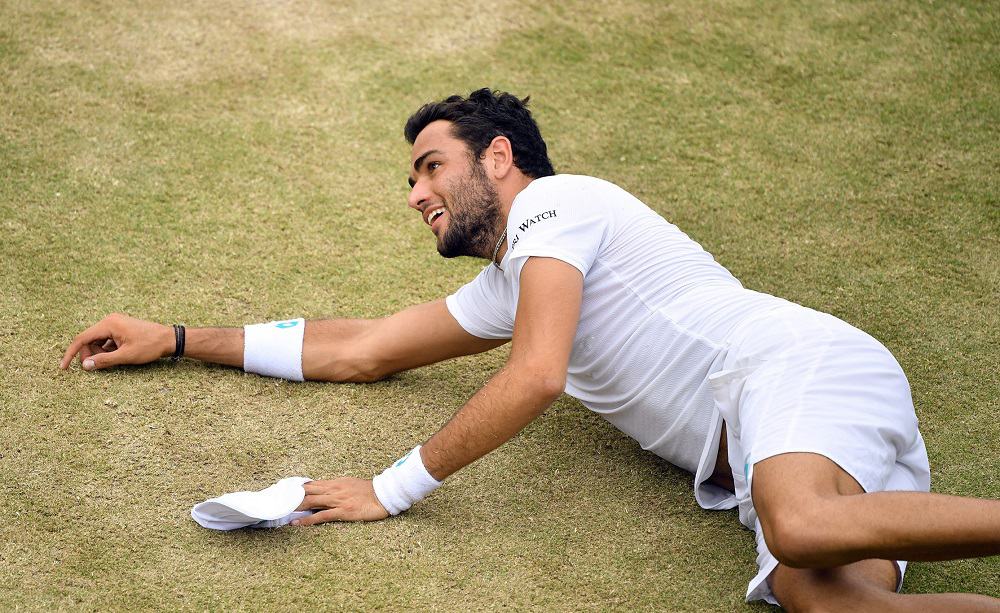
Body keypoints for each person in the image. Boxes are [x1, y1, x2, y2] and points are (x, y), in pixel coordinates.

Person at [61, 89, 999, 610]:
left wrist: (390, 489)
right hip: (771, 432)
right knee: (826, 599)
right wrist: (180, 337)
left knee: (796, 527)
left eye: (431, 165)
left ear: (500, 157)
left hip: (793, 369)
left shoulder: (559, 203)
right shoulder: (515, 280)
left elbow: (538, 373)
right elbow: (360, 347)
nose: (417, 192)